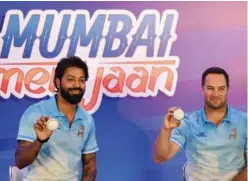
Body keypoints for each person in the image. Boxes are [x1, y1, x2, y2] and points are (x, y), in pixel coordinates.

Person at [154, 67, 247, 181]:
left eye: (221, 89)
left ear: (228, 90)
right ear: (202, 89)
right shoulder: (187, 122)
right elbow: (160, 157)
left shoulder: (245, 121)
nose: (215, 94)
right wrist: (166, 130)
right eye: (210, 88)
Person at [15, 56, 98, 181]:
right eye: (70, 79)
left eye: (81, 80)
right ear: (58, 82)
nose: (77, 85)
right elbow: (20, 161)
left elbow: (90, 167)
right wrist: (40, 141)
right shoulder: (36, 112)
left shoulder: (87, 120)